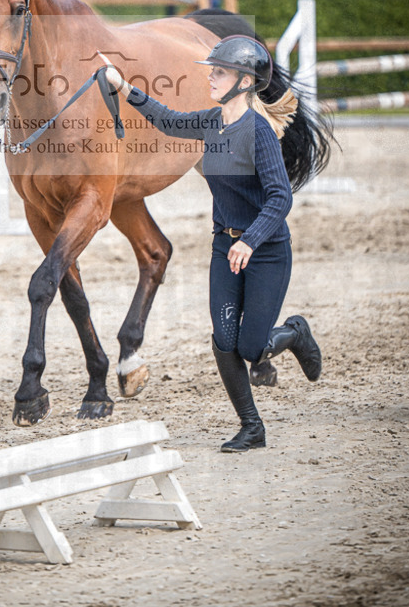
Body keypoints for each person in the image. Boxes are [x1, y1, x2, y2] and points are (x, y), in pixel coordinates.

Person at [99, 36, 322, 453]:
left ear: (243, 81)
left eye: (218, 71)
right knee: (224, 340)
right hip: (225, 249)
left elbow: (280, 198)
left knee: (252, 347)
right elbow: (165, 119)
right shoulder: (210, 121)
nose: (210, 76)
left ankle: (294, 333)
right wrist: (123, 87)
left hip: (266, 252)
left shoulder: (259, 133)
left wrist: (251, 241)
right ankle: (251, 426)